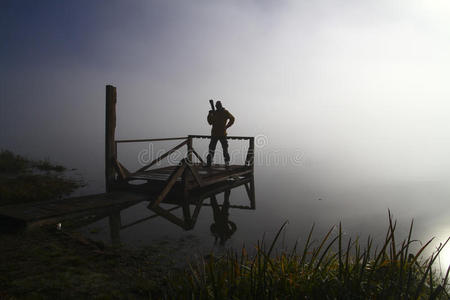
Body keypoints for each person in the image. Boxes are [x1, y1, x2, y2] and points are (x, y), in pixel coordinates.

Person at [207, 100, 235, 167]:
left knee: (224, 148)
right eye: (217, 106)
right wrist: (209, 114)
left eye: (218, 105)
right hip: (215, 134)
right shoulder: (215, 113)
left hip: (222, 134)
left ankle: (227, 162)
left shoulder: (225, 112)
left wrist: (227, 126)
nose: (217, 107)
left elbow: (232, 119)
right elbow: (210, 122)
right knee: (212, 148)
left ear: (220, 105)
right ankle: (211, 161)